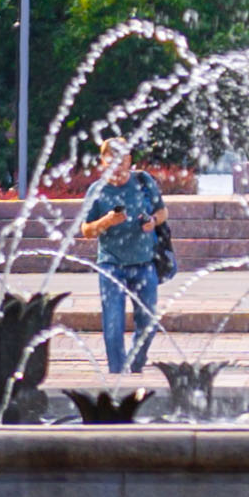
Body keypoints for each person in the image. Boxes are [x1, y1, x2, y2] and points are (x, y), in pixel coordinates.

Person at [74, 147, 173, 376]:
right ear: (103, 162)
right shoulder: (97, 190)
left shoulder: (142, 181)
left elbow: (162, 212)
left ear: (129, 161)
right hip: (111, 265)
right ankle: (117, 374)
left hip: (144, 262)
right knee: (113, 323)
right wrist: (107, 221)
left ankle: (135, 365)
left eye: (122, 159)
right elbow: (86, 230)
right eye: (111, 160)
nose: (117, 166)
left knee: (147, 322)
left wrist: (152, 222)